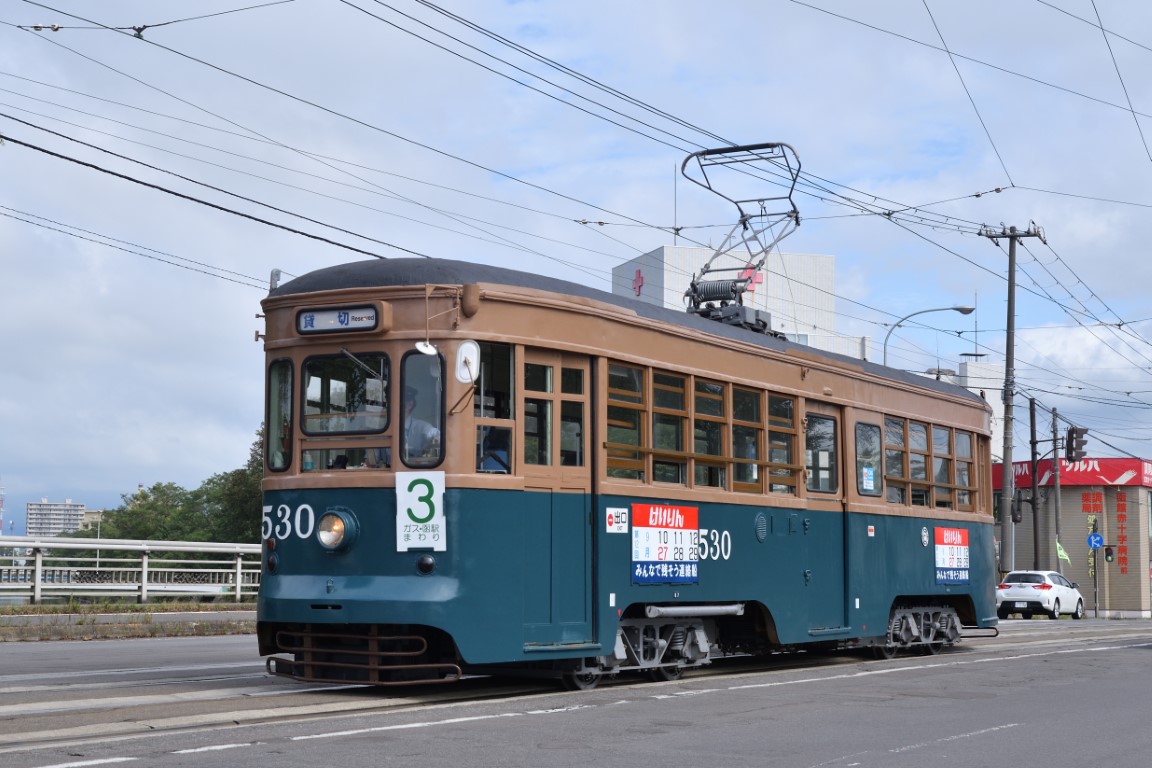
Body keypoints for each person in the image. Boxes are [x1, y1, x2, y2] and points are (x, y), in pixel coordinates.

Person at [402, 385, 440, 459]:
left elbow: (437, 435)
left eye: (397, 402)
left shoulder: (420, 427)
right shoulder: (382, 426)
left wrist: (428, 446)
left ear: (410, 404)